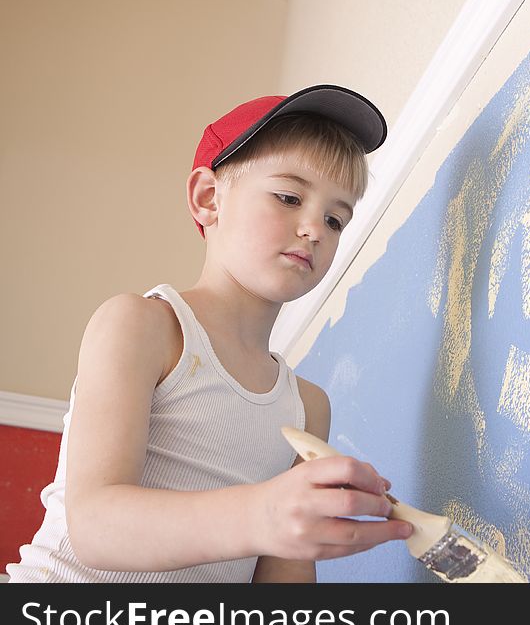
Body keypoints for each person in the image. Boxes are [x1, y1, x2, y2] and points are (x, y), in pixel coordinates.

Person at [6, 85, 414, 582]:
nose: (315, 229)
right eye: (289, 197)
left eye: (335, 219)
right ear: (207, 199)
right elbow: (94, 526)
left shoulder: (309, 408)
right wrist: (259, 516)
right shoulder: (143, 327)